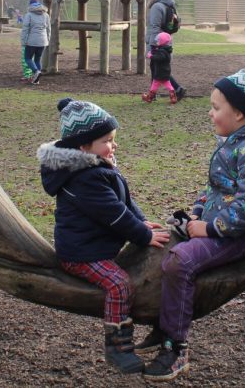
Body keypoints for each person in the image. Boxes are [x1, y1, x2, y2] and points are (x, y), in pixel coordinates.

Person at [141, 67, 245, 380]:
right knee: (165, 237)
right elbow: (213, 188)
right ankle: (160, 320)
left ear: (238, 113)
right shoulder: (233, 143)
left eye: (216, 107)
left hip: (238, 235)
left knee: (180, 261)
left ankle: (175, 347)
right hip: (219, 224)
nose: (210, 113)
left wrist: (210, 229)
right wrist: (196, 213)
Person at [39, 98, 170, 374]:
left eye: (113, 139)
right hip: (81, 253)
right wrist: (141, 236)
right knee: (119, 284)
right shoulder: (84, 177)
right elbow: (112, 213)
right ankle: (117, 347)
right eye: (107, 140)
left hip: (97, 245)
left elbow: (123, 201)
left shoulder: (97, 165)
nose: (114, 145)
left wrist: (142, 222)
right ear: (84, 146)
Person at [146, 0, 185, 100]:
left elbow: (154, 27)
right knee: (158, 68)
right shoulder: (170, 4)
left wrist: (152, 46)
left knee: (158, 69)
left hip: (157, 43)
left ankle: (178, 89)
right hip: (166, 41)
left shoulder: (157, 6)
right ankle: (153, 95)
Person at [142, 32, 176, 104]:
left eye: (158, 40)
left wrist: (150, 56)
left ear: (162, 41)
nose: (157, 42)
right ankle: (173, 96)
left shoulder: (161, 51)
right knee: (168, 84)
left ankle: (149, 98)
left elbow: (158, 58)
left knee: (154, 85)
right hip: (166, 71)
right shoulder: (167, 50)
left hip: (160, 72)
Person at [21, 0, 50, 84]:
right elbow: (49, 29)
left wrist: (23, 41)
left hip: (32, 41)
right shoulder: (46, 15)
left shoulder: (29, 15)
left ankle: (36, 72)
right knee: (37, 59)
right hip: (43, 41)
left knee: (28, 58)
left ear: (30, 5)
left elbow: (25, 29)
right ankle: (36, 80)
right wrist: (47, 40)